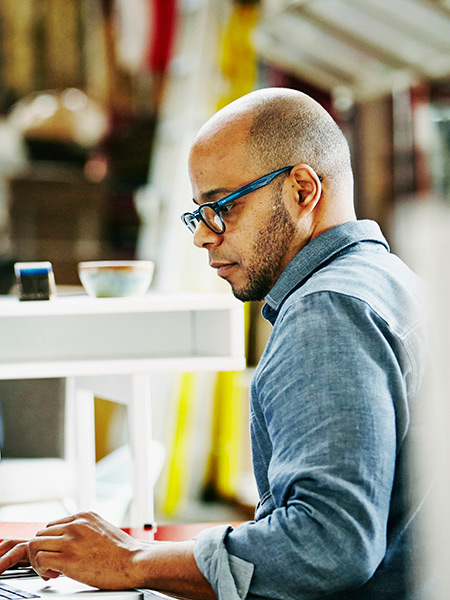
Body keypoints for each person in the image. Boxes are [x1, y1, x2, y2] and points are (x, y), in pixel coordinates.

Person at [0, 88, 428, 599]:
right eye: (198, 214)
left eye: (221, 206)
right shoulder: (390, 281)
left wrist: (132, 561)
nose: (203, 236)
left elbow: (328, 546)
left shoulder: (327, 311)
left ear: (302, 191)